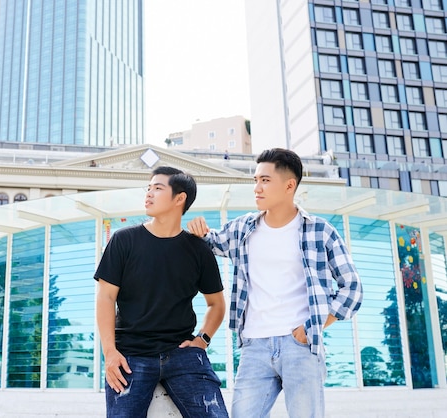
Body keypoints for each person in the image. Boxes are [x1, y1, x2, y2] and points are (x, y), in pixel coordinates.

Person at [187, 148, 363, 418]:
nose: (256, 188)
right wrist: (199, 230)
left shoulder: (319, 231)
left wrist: (314, 326)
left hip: (300, 347)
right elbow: (211, 242)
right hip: (254, 346)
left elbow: (352, 288)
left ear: (289, 185)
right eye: (255, 180)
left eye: (265, 180)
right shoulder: (243, 228)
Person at [95, 166, 229, 417]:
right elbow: (106, 297)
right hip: (130, 355)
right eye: (148, 188)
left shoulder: (198, 249)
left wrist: (203, 339)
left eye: (158, 188)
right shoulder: (124, 240)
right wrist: (109, 352)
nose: (149, 194)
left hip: (182, 354)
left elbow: (216, 304)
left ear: (180, 199)